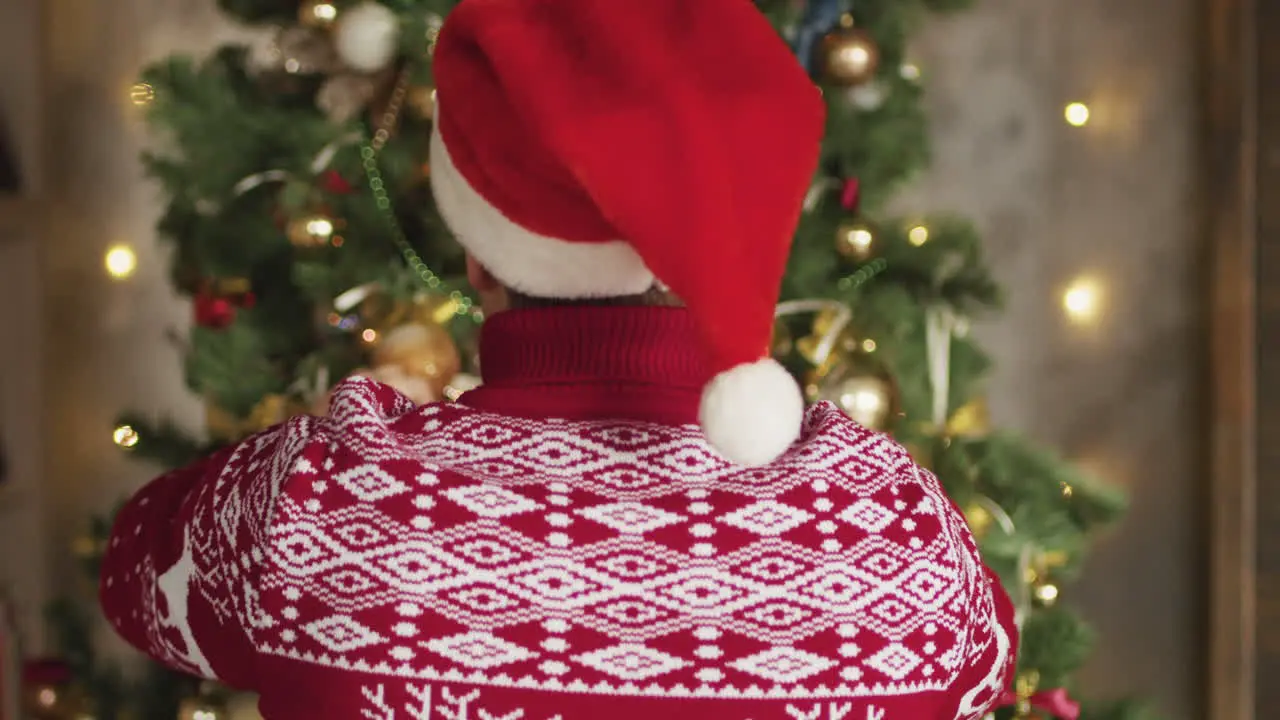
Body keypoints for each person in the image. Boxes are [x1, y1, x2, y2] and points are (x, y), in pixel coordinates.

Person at [100, 0, 1018, 717]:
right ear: (753, 244)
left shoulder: (319, 500)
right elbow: (988, 666)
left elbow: (136, 573)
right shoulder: (898, 539)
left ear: (478, 252)